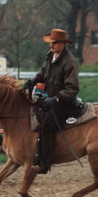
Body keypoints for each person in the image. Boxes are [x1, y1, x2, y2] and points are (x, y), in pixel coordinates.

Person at [24, 28, 79, 174]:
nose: (51, 45)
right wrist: (34, 80)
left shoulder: (69, 62)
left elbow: (72, 89)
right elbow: (43, 72)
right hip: (49, 98)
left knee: (46, 127)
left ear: (62, 43)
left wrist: (55, 99)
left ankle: (45, 163)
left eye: (54, 43)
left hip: (64, 103)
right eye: (50, 42)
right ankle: (39, 154)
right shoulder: (50, 55)